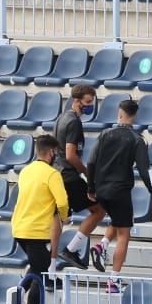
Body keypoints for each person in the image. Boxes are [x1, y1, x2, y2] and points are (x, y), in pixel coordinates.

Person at [86, 99, 152, 292]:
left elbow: (91, 162)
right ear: (134, 116)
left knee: (117, 220)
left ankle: (101, 245)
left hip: (101, 189)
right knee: (124, 234)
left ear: (119, 113)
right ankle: (113, 280)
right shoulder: (137, 139)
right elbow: (145, 171)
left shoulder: (104, 134)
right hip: (120, 190)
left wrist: (90, 188)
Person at [53, 84, 116, 272]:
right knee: (99, 210)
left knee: (59, 218)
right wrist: (87, 172)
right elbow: (71, 155)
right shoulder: (73, 122)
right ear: (77, 100)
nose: (91, 106)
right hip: (69, 176)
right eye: (88, 102)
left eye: (92, 102)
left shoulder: (61, 117)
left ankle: (52, 261)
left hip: (58, 174)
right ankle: (71, 249)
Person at [11, 134, 69, 304]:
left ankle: (19, 299)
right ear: (51, 152)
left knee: (37, 267)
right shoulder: (52, 174)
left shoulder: (26, 171)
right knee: (41, 271)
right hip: (37, 231)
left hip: (19, 228)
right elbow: (63, 202)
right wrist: (64, 217)